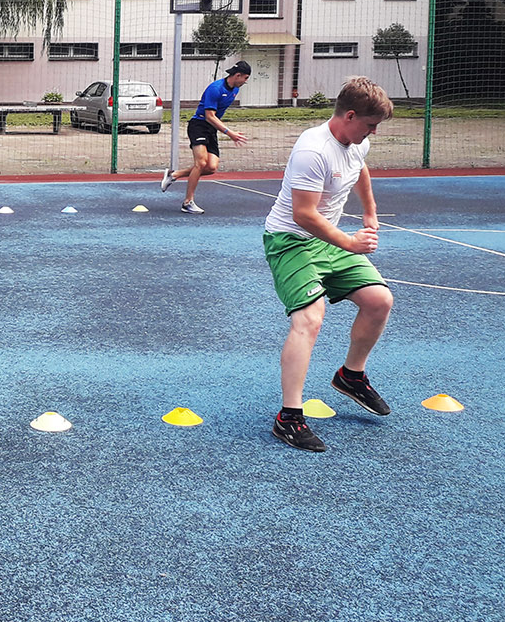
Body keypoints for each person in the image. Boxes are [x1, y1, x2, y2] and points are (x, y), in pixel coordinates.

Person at [262, 76, 395, 452]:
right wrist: (351, 242)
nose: (373, 133)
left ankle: (351, 376)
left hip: (327, 239)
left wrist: (370, 213)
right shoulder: (313, 151)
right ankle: (289, 417)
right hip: (291, 241)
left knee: (379, 301)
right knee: (310, 318)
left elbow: (360, 169)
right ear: (349, 115)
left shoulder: (357, 141)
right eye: (370, 125)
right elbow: (304, 215)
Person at [159, 60, 251, 214]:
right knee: (200, 163)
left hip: (211, 129)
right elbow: (209, 116)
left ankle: (174, 174)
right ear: (238, 75)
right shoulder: (215, 89)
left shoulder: (235, 90)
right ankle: (187, 202)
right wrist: (230, 133)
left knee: (211, 167)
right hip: (199, 126)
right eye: (246, 78)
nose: (246, 81)